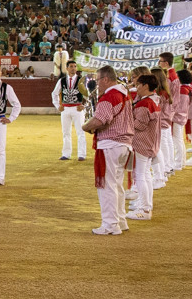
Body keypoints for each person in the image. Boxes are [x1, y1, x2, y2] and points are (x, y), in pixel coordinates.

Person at [81, 65, 133, 235]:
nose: (97, 84)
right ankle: (120, 219)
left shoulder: (109, 97)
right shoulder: (124, 94)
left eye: (98, 80)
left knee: (107, 185)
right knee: (117, 184)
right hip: (124, 144)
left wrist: (85, 126)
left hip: (110, 144)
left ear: (105, 79)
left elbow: (100, 120)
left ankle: (111, 225)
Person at [126, 74, 161, 221]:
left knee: (140, 176)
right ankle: (145, 204)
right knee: (145, 175)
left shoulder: (144, 104)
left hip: (142, 143)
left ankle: (145, 209)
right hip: (150, 142)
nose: (136, 87)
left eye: (139, 85)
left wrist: (127, 121)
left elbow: (139, 125)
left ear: (146, 86)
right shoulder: (154, 100)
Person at [51, 60, 89, 161]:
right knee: (66, 132)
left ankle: (82, 154)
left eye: (75, 66)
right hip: (65, 109)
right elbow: (54, 93)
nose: (73, 68)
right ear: (67, 68)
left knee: (80, 131)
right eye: (71, 66)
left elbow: (89, 95)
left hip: (78, 109)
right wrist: (58, 106)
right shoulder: (62, 81)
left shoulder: (82, 80)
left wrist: (84, 105)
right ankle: (66, 154)